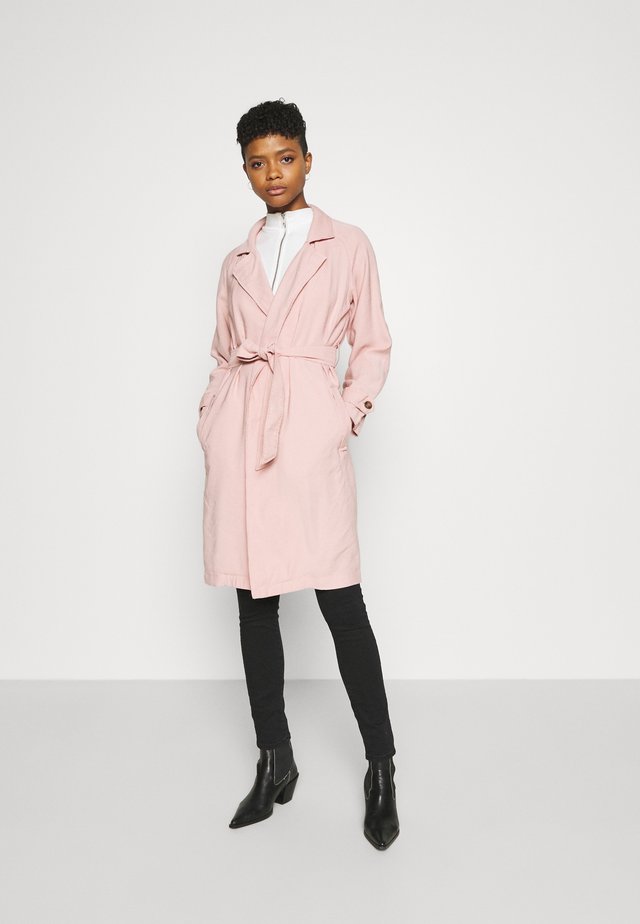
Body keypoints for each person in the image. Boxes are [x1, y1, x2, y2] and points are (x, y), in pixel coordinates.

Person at [196, 99, 399, 850]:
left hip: (307, 432)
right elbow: (223, 351)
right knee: (255, 604)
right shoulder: (237, 260)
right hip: (243, 436)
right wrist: (213, 417)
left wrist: (342, 416)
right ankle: (274, 758)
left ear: (308, 159)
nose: (272, 173)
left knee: (342, 603)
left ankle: (381, 766)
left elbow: (372, 344)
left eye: (285, 158)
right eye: (257, 162)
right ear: (245, 170)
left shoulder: (348, 245)